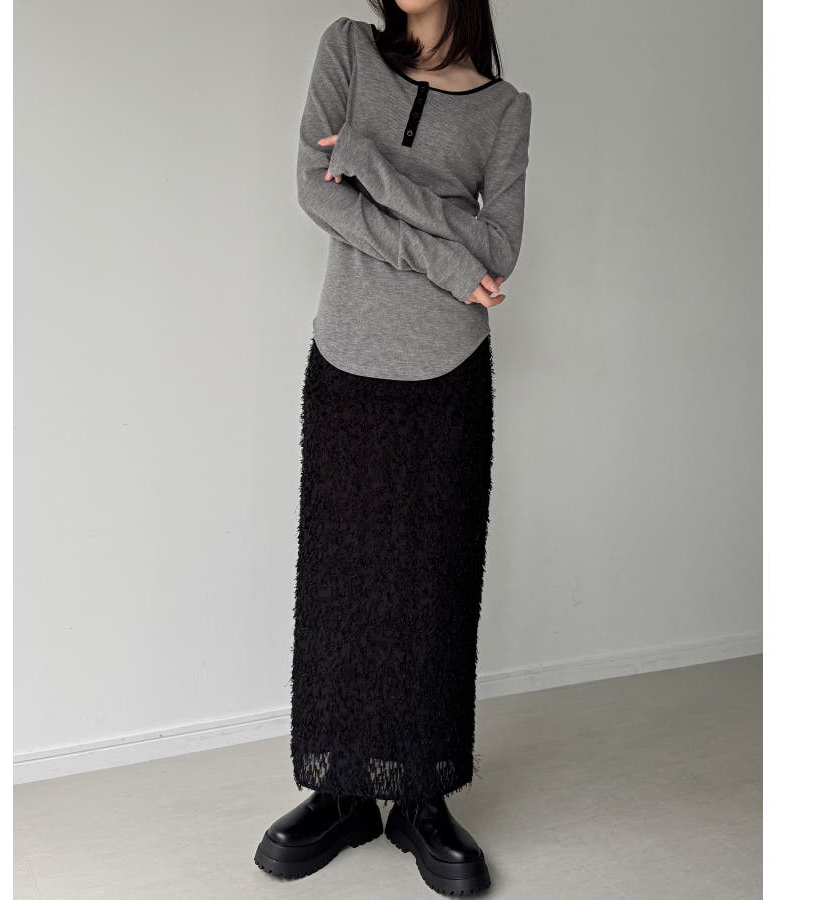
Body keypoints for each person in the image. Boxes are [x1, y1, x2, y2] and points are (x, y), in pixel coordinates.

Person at [254, 0, 531, 893]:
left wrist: (373, 164)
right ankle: (340, 791)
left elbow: (501, 248)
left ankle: (421, 795)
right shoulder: (346, 49)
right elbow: (316, 189)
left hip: (449, 365)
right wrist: (447, 259)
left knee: (434, 580)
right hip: (347, 347)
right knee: (341, 576)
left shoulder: (505, 108)